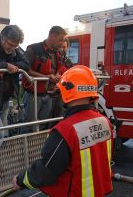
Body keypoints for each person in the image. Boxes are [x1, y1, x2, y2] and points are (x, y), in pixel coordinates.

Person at [13, 65, 114, 197]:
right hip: (99, 191)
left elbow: (46, 171)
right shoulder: (104, 121)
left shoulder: (65, 131)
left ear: (67, 91)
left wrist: (20, 180)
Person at [21, 26, 67, 130]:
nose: (61, 43)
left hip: (48, 94)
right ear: (52, 36)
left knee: (43, 126)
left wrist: (57, 77)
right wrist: (45, 77)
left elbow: (60, 69)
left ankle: (41, 146)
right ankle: (27, 146)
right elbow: (24, 69)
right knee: (30, 125)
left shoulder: (57, 53)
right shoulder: (33, 49)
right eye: (60, 40)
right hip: (33, 94)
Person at [51, 38, 74, 119]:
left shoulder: (69, 62)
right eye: (60, 46)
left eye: (64, 47)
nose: (61, 49)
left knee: (59, 118)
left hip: (62, 95)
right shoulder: (51, 59)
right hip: (50, 94)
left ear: (67, 48)